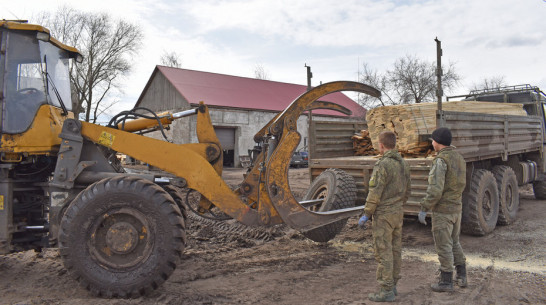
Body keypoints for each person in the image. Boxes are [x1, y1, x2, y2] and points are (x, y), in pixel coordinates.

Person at [358, 131, 411, 302]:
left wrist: (367, 213)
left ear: (381, 145)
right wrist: (399, 204)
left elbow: (375, 192)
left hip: (384, 215)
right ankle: (393, 285)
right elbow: (407, 189)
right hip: (397, 213)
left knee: (384, 252)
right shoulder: (403, 163)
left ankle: (386, 290)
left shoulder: (383, 165)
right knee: (395, 250)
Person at [418, 127, 467, 292]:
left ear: (437, 142)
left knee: (443, 245)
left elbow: (435, 189)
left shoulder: (441, 161)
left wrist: (425, 207)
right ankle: (462, 276)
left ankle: (446, 281)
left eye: (432, 140)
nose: (432, 142)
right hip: (456, 208)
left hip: (443, 211)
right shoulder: (459, 158)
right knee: (454, 242)